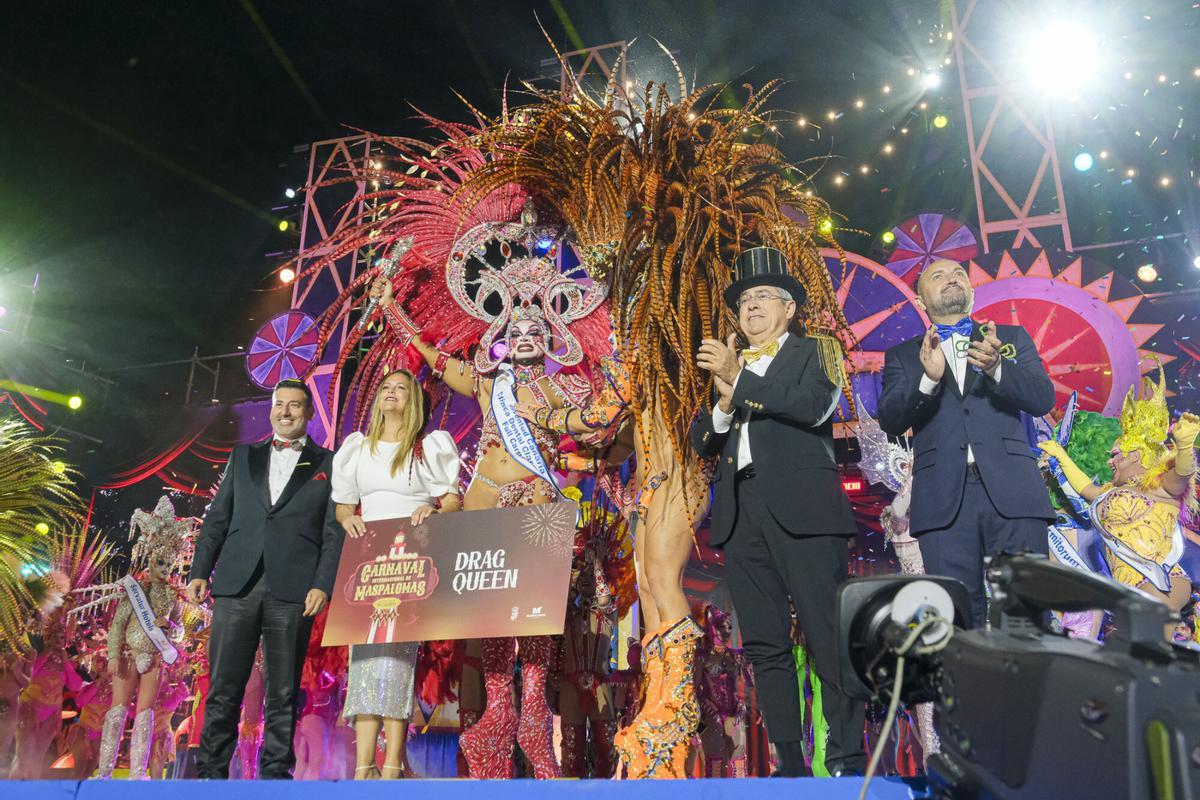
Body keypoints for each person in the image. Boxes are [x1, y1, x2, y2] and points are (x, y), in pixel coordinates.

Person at [369, 200, 602, 780]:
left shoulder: (562, 390)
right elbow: (429, 356)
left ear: (549, 338)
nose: (523, 336)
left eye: (534, 330)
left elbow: (598, 425)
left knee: (535, 620)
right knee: (490, 620)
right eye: (514, 330)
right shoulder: (484, 381)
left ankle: (533, 719)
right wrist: (390, 306)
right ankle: (496, 719)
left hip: (536, 504)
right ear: (501, 336)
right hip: (484, 498)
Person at [690, 246, 866, 776]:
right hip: (741, 516)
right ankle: (789, 764)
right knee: (765, 645)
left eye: (764, 295)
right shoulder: (732, 364)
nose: (751, 305)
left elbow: (814, 406)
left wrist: (740, 381)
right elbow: (702, 441)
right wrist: (724, 404)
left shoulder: (817, 351)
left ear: (789, 308)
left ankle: (847, 757)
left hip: (806, 513)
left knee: (826, 635)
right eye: (744, 299)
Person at [878, 258, 1056, 628]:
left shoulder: (1009, 339)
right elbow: (892, 420)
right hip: (942, 499)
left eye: (959, 273)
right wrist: (928, 380)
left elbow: (1042, 399)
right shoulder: (904, 355)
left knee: (1024, 612)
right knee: (957, 618)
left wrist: (997, 368)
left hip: (1013, 492)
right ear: (920, 300)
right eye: (938, 275)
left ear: (971, 292)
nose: (951, 278)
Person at [187, 378, 343, 779]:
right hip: (236, 584)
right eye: (279, 404)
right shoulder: (243, 456)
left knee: (283, 692)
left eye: (295, 405)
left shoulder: (329, 463)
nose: (285, 411)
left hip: (294, 588)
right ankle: (210, 775)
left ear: (309, 413)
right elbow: (217, 518)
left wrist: (322, 583)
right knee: (223, 687)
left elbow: (333, 531)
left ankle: (275, 777)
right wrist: (200, 570)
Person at [332, 369, 462, 779]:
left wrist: (434, 510)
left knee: (397, 662)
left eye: (400, 388)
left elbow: (453, 500)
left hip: (409, 566)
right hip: (366, 565)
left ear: (414, 400)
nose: (391, 393)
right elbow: (343, 504)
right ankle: (363, 766)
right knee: (364, 663)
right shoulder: (358, 448)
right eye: (385, 387)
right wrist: (347, 519)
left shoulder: (428, 448)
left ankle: (392, 765)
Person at [1037, 372, 1197, 613]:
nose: (1109, 462)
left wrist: (1184, 447)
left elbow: (1182, 475)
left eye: (1115, 455)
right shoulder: (1110, 493)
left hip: (1160, 581)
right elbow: (1085, 488)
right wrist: (1061, 456)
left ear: (1135, 456)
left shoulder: (1160, 486)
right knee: (1136, 635)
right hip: (1128, 587)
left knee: (1147, 632)